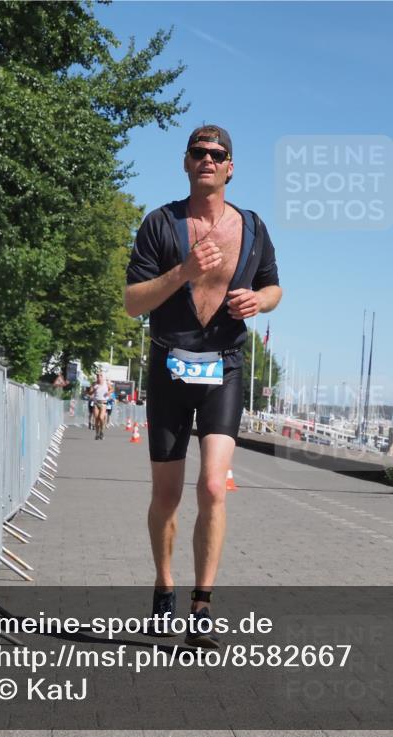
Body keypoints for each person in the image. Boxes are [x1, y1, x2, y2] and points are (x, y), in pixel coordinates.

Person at [124, 124, 281, 647]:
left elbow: (275, 286)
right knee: (166, 496)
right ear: (186, 163)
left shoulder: (254, 227)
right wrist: (184, 272)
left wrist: (261, 302)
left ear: (231, 166)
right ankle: (164, 587)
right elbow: (132, 302)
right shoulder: (159, 224)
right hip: (170, 364)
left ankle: (202, 605)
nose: (208, 160)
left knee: (214, 486)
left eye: (218, 154)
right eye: (199, 153)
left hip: (225, 367)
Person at [88, 372, 112, 440]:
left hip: (103, 403)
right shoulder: (94, 384)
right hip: (96, 403)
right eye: (97, 376)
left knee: (101, 418)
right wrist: (93, 391)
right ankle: (97, 434)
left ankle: (101, 432)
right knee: (96, 419)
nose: (99, 377)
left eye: (100, 376)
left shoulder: (106, 383)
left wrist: (108, 392)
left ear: (102, 377)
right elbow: (89, 392)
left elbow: (111, 389)